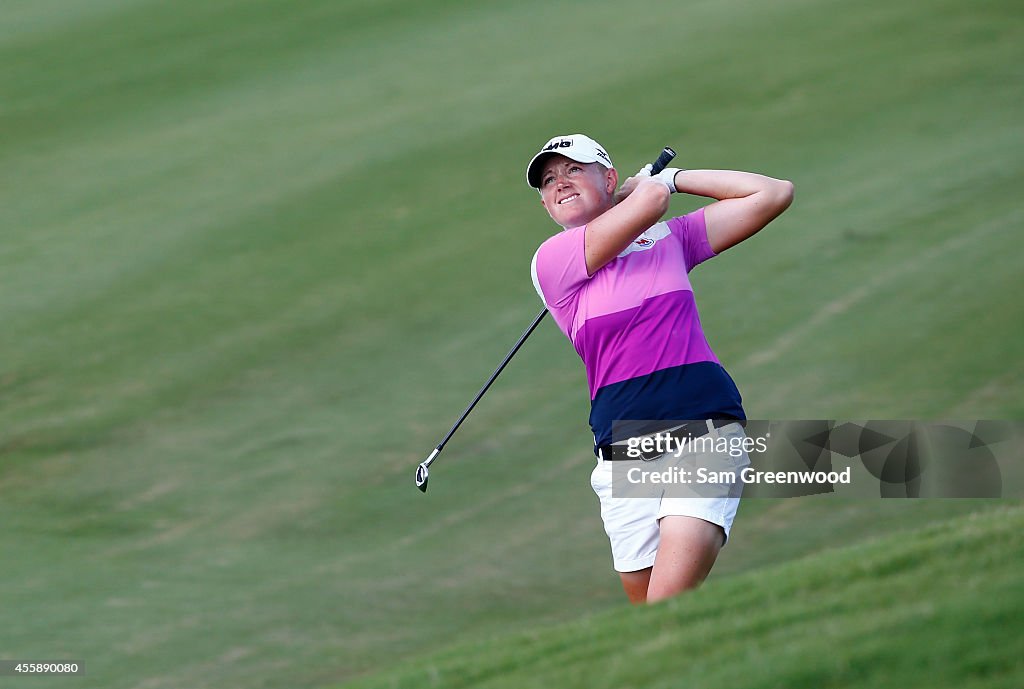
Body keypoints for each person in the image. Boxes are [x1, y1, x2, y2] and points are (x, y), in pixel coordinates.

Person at [527, 134, 794, 604]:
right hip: (621, 452)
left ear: (608, 179)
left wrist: (672, 177)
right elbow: (649, 203)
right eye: (548, 180)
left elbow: (772, 193)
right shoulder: (552, 260)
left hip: (705, 430)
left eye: (573, 170)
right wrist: (644, 190)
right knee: (650, 629)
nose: (559, 184)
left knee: (666, 606)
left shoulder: (671, 239)